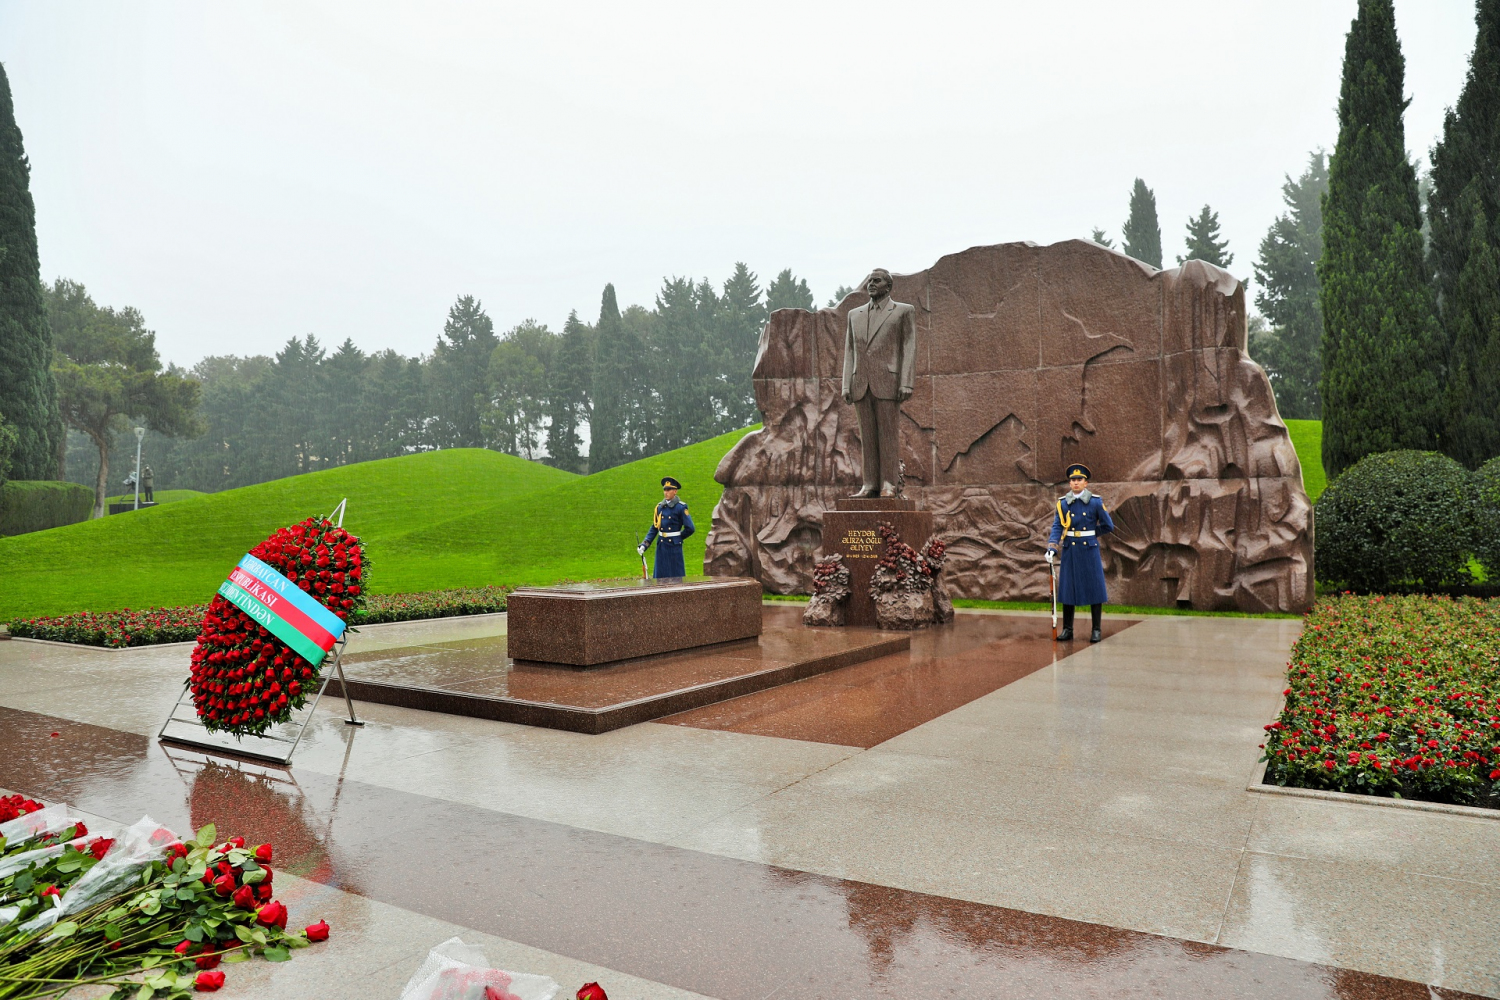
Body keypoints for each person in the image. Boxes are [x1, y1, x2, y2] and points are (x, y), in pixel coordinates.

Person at [841, 268, 917, 498]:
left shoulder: (903, 311)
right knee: (868, 437)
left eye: (877, 281)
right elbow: (850, 351)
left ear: (888, 286)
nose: (871, 285)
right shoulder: (855, 315)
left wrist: (906, 382)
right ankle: (869, 484)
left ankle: (888, 484)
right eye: (869, 281)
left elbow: (908, 347)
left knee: (887, 436)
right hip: (860, 383)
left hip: (888, 382)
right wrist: (846, 384)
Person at [1045, 463, 1114, 642]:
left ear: (1086, 483)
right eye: (1073, 480)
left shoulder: (1095, 502)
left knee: (1094, 589)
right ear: (1070, 483)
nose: (1076, 483)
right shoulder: (1063, 503)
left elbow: (1108, 525)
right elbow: (1057, 526)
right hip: (1070, 550)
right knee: (1068, 589)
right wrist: (1052, 547)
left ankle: (1096, 629)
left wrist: (1091, 534)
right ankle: (1068, 629)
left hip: (1089, 549)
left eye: (1079, 480)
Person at [638, 476, 695, 578]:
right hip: (662, 545)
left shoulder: (680, 507)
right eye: (664, 490)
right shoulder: (660, 507)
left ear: (675, 491)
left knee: (676, 576)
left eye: (669, 490)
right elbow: (655, 527)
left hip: (674, 546)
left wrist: (678, 537)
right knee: (660, 577)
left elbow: (690, 528)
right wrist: (645, 544)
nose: (666, 492)